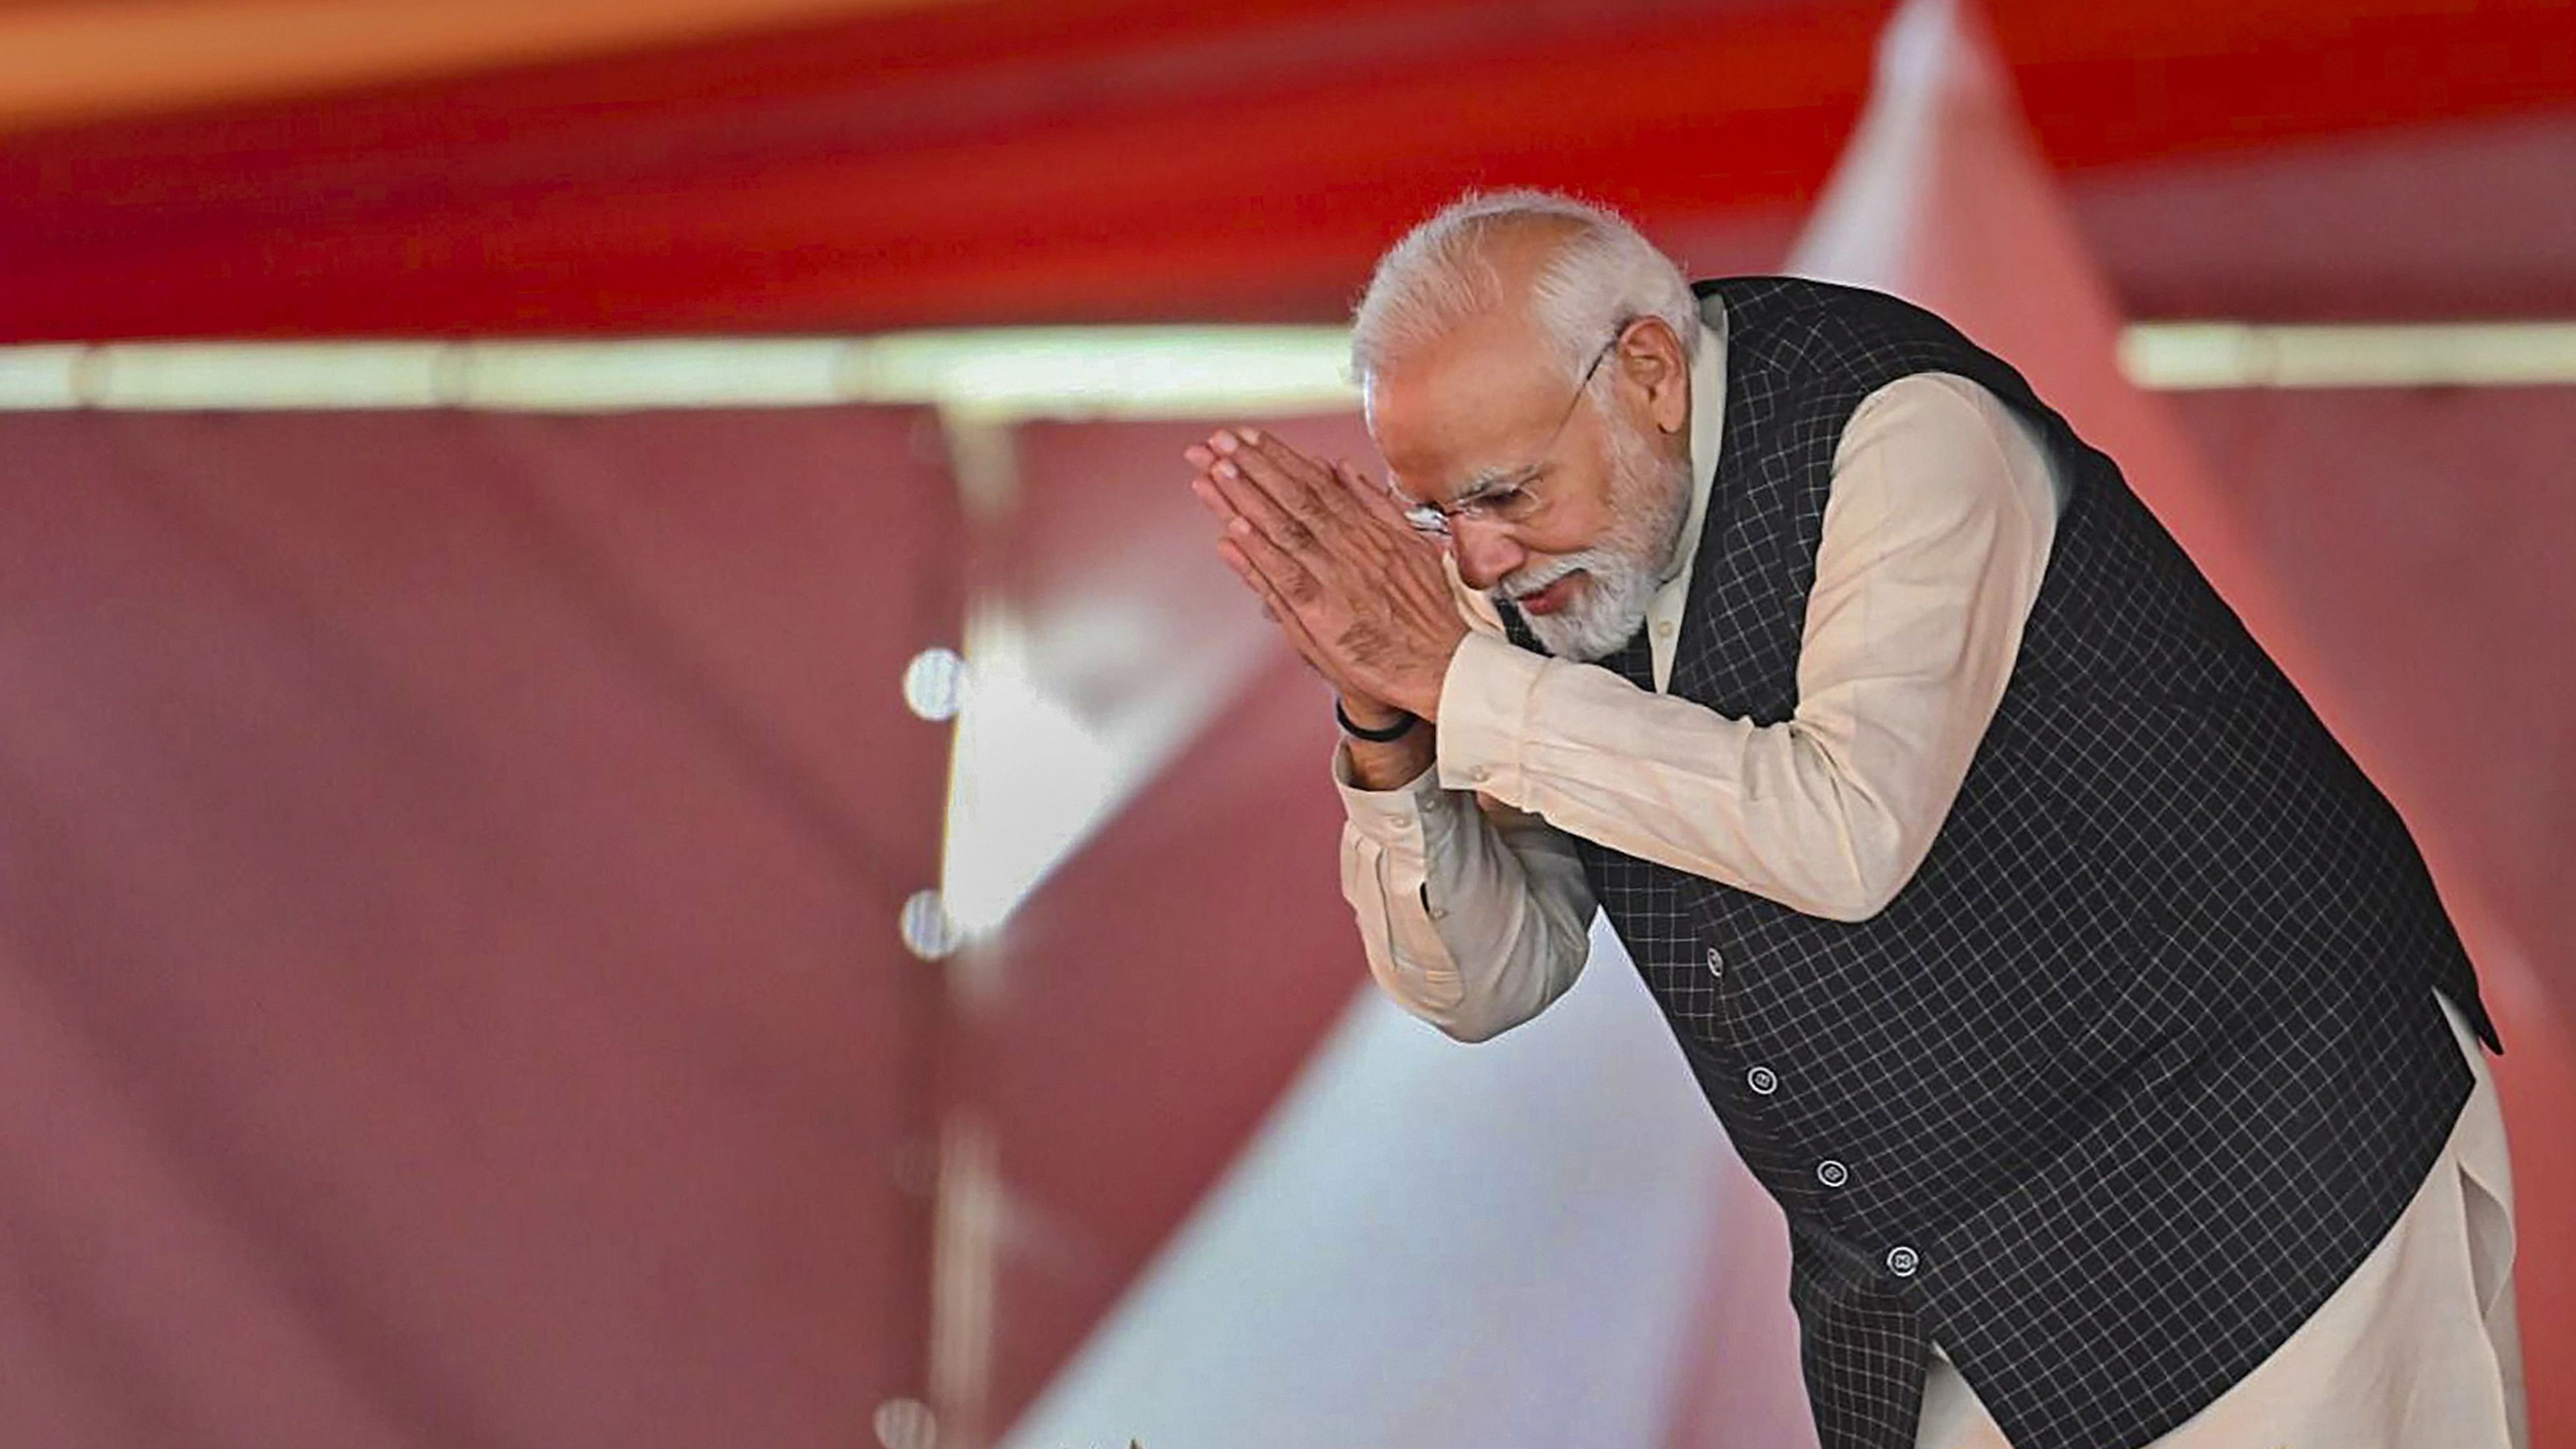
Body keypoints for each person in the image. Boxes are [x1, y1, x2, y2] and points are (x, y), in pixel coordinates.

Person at [1181, 189, 2525, 1449]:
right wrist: (1387, 724)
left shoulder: (1899, 426)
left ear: (1645, 374)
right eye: (1433, 513)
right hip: (1950, 1277)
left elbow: (1846, 829)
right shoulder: (1527, 582)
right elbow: (1487, 980)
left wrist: (1460, 680)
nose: (1474, 559)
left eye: (1503, 497)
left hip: (2269, 1157)